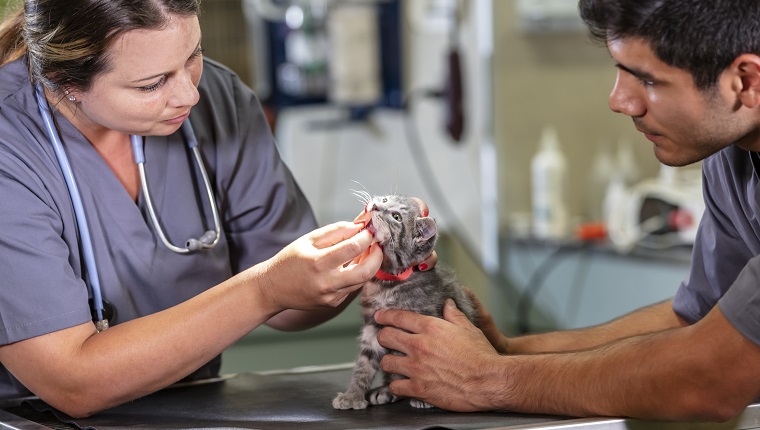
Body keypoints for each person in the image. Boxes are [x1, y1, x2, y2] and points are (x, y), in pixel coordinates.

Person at [0, 0, 436, 419]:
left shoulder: (221, 99)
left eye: (194, 55)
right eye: (151, 84)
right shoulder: (10, 145)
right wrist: (264, 289)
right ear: (67, 81)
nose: (190, 95)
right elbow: (71, 382)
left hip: (191, 407)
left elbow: (291, 308)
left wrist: (352, 263)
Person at [375, 0, 760, 422]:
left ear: (746, 81)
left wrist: (488, 378)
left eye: (647, 80)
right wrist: (507, 351)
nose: (620, 101)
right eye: (620, 70)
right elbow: (696, 318)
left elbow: (708, 376)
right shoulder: (733, 159)